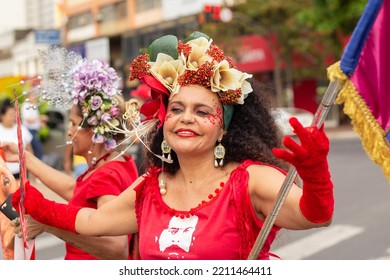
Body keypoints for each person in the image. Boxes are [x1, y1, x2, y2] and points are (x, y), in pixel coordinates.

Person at [6, 32, 334, 260]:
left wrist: (315, 173)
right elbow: (93, 222)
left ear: (223, 128)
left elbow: (315, 217)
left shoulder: (251, 180)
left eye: (202, 111)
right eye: (177, 109)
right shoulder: (150, 186)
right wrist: (25, 197)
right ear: (164, 122)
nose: (185, 119)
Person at [3, 51, 140, 260]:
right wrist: (25, 158)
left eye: (74, 124)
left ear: (95, 131)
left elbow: (115, 248)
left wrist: (49, 225)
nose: (68, 132)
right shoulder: (112, 163)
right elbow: (74, 191)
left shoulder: (108, 173)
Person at [0, 98, 33, 182]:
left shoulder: (22, 129)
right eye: (10, 114)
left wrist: (32, 174)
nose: (13, 117)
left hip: (19, 174)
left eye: (14, 114)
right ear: (2, 116)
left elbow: (30, 151)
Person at [20, 92, 47, 160]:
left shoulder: (33, 106)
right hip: (29, 131)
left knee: (37, 150)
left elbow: (34, 119)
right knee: (36, 151)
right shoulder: (26, 106)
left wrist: (40, 124)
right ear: (28, 97)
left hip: (34, 131)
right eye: (33, 96)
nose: (34, 98)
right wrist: (40, 118)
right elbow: (28, 120)